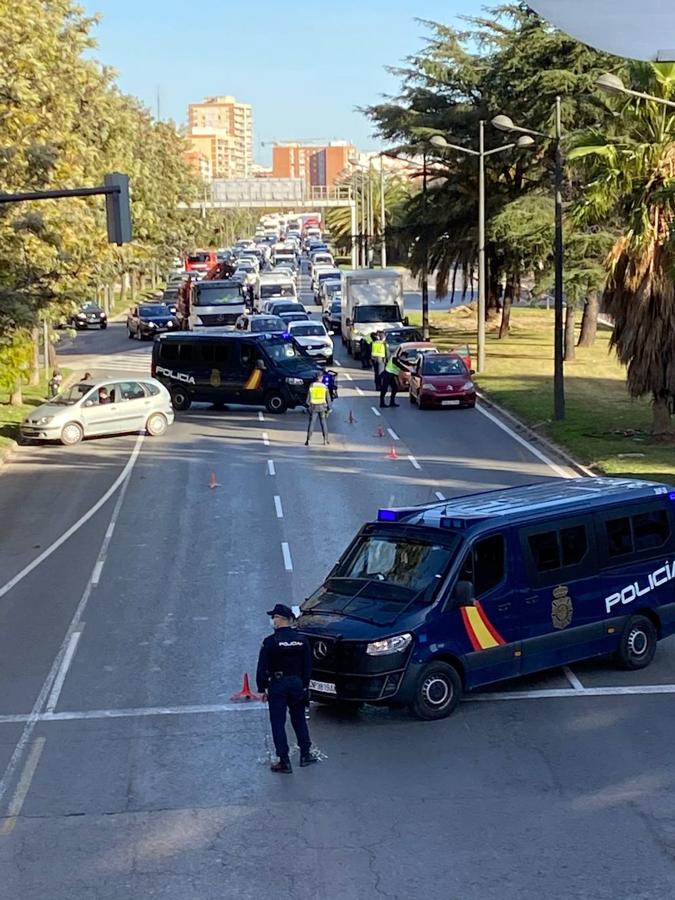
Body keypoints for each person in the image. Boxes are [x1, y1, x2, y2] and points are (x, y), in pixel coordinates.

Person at [256, 604, 316, 774]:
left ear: (281, 619)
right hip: (297, 683)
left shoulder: (270, 642)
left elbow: (262, 667)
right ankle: (305, 754)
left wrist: (262, 688)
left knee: (278, 723)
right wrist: (304, 685)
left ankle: (284, 760)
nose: (272, 620)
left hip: (278, 684)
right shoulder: (302, 640)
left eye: (274, 617)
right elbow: (307, 666)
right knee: (298, 719)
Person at [305, 371, 331, 446]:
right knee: (323, 423)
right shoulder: (324, 386)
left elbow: (308, 399)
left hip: (313, 407)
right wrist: (329, 408)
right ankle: (325, 440)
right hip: (322, 407)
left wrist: (308, 406)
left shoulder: (312, 385)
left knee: (312, 423)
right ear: (321, 378)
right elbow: (328, 398)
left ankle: (308, 440)